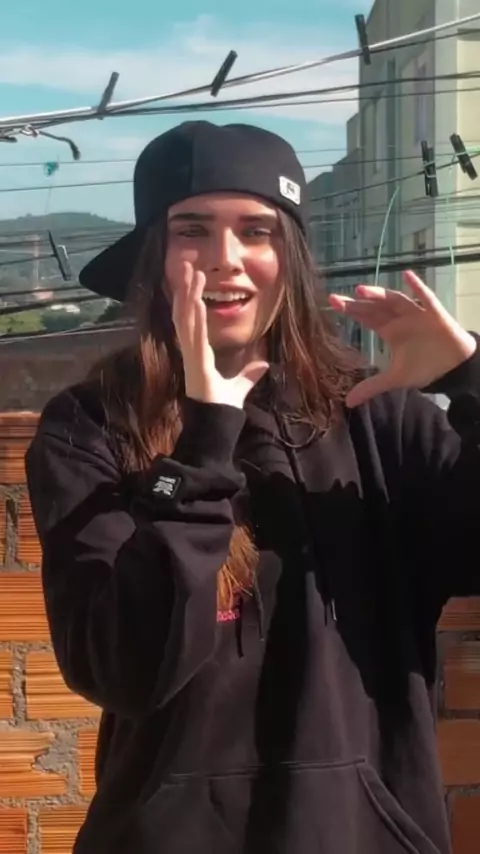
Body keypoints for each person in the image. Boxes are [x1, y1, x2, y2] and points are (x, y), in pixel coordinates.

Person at [25, 120, 480, 854]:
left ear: (288, 257)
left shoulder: (375, 415)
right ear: (152, 256)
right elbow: (122, 670)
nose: (225, 259)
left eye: (256, 231)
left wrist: (468, 379)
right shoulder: (91, 427)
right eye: (192, 230)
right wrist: (205, 443)